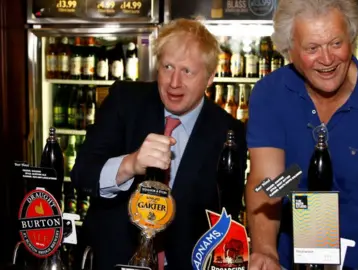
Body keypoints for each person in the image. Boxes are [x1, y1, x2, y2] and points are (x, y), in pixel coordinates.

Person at [245, 0, 358, 269]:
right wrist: (266, 252)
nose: (327, 59)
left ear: (352, 39)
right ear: (290, 51)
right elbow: (268, 184)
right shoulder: (271, 94)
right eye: (312, 48)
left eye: (336, 43)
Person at [71, 18, 247, 270]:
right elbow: (82, 175)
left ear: (210, 77)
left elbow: (227, 216)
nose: (174, 82)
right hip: (112, 261)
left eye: (187, 71)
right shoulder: (125, 101)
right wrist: (130, 164)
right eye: (167, 67)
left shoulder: (228, 131)